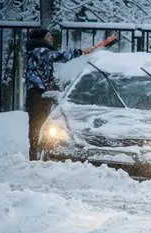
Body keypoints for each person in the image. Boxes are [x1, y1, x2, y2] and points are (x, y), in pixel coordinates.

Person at [24, 28, 94, 161]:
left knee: (40, 124)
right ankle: (34, 156)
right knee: (37, 125)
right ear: (40, 39)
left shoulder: (39, 52)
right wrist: (80, 51)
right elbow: (59, 56)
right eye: (48, 36)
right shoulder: (39, 50)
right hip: (37, 95)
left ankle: (37, 154)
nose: (51, 38)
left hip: (40, 94)